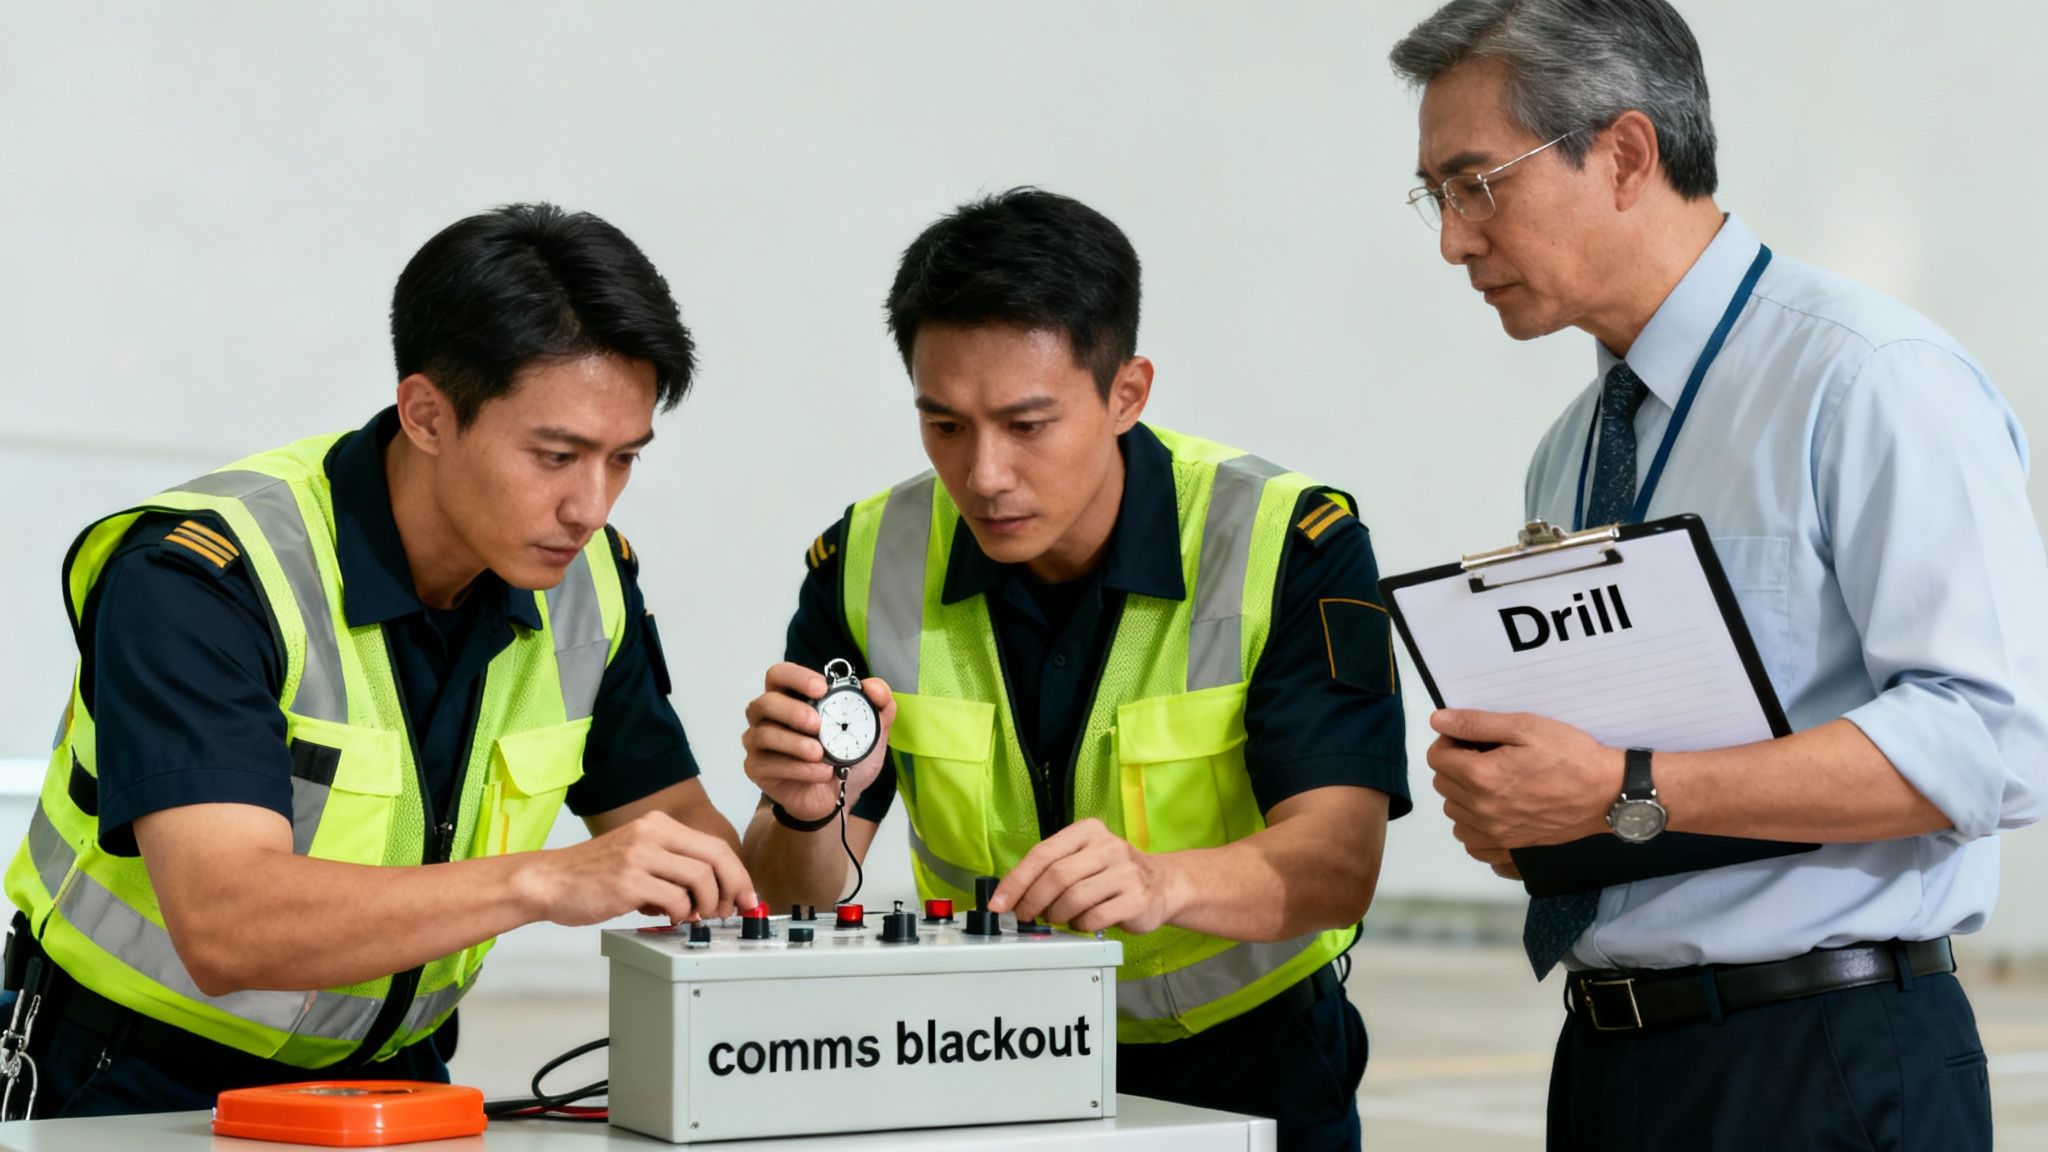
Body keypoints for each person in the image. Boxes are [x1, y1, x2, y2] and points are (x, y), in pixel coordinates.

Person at [1388, 2, 2048, 1147]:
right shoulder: (1572, 447)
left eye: (1475, 183)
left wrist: (1619, 787)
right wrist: (1526, 812)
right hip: (1611, 1063)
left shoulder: (1869, 382)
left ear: (1625, 154)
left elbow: (1993, 742)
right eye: (1434, 197)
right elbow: (1625, 771)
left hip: (1824, 1062)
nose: (1451, 240)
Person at [1, 203, 755, 1118]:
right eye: (556, 455)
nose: (590, 505)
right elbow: (225, 922)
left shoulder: (587, 586)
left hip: (397, 1089)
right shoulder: (198, 577)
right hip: (126, 1083)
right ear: (427, 414)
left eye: (623, 459)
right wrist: (540, 881)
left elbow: (687, 840)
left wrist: (803, 814)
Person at [738, 188, 1407, 1150]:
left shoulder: (1286, 545)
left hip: (1250, 1063)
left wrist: (1161, 883)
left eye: (1027, 424)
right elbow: (792, 894)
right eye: (946, 425)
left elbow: (1340, 865)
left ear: (1127, 392)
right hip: (987, 1059)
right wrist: (804, 810)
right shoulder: (867, 560)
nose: (984, 475)